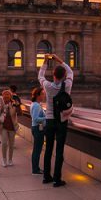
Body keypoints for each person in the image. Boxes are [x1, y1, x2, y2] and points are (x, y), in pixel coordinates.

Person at [40, 54, 73, 187]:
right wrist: (58, 59)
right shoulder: (67, 84)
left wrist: (45, 61)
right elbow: (70, 71)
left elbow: (40, 76)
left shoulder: (47, 86)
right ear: (63, 75)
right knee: (59, 150)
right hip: (62, 121)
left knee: (48, 149)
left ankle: (46, 176)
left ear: (53, 75)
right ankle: (57, 179)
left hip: (49, 120)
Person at [29, 87, 47, 176]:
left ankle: (36, 168)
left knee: (37, 149)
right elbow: (35, 119)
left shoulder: (35, 104)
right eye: (43, 94)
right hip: (38, 129)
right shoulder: (36, 105)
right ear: (38, 95)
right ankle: (35, 169)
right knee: (37, 150)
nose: (44, 95)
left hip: (36, 128)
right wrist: (46, 118)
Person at [0, 89, 18, 166]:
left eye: (8, 94)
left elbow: (17, 113)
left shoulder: (13, 104)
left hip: (12, 126)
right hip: (3, 126)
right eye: (5, 94)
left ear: (10, 96)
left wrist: (15, 106)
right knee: (4, 143)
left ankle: (10, 159)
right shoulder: (0, 104)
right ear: (2, 96)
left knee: (11, 144)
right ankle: (4, 160)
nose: (6, 96)